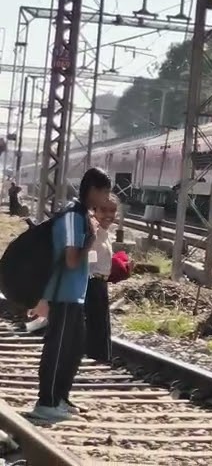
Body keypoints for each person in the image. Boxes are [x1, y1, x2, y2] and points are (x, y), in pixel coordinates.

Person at [29, 167, 112, 422]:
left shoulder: (81, 215)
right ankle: (47, 402)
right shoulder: (74, 216)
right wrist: (91, 239)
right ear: (94, 190)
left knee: (73, 349)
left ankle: (61, 398)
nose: (106, 200)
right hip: (62, 293)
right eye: (105, 193)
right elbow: (72, 260)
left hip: (74, 294)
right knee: (58, 347)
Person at [84, 194, 119, 366]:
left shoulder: (105, 233)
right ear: (94, 210)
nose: (109, 215)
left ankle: (98, 359)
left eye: (112, 210)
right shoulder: (93, 231)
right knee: (94, 323)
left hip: (100, 283)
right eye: (104, 210)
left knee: (100, 324)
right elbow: (87, 258)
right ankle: (92, 359)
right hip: (91, 283)